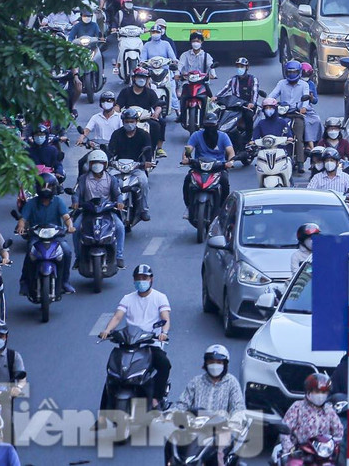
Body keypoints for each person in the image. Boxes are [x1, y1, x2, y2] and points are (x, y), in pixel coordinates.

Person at [97, 264, 171, 410]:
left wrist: (164, 333)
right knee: (112, 373)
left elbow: (165, 318)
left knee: (164, 365)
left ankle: (156, 398)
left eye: (144, 278)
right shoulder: (127, 298)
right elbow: (117, 317)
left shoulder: (160, 297)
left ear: (151, 279)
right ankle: (104, 412)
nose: (141, 280)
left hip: (150, 344)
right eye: (138, 278)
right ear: (134, 280)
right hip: (128, 344)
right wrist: (107, 330)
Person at [15, 173, 74, 294]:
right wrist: (20, 227)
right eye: (43, 186)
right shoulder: (31, 203)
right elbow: (23, 219)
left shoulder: (58, 201)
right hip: (37, 236)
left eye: (49, 186)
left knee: (66, 252)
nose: (46, 189)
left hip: (56, 236)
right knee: (30, 252)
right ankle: (25, 282)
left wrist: (70, 226)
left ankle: (65, 282)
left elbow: (66, 217)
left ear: (54, 187)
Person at [74, 152, 125, 267]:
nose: (97, 165)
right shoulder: (83, 179)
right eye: (94, 163)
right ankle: (78, 257)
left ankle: (119, 256)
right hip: (87, 210)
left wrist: (120, 202)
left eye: (100, 163)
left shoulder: (111, 179)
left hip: (107, 210)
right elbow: (76, 193)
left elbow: (118, 194)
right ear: (89, 164)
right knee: (76, 228)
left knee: (120, 227)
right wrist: (75, 202)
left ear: (105, 164)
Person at [279, 373, 343, 458]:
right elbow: (285, 430)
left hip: (322, 453)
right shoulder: (297, 407)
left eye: (324, 392)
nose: (321, 395)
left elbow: (338, 432)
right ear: (308, 392)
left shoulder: (329, 410)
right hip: (299, 453)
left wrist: (333, 446)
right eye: (317, 392)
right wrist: (290, 448)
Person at [180, 115, 233, 217]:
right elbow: (188, 149)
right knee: (187, 180)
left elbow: (231, 152)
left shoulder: (223, 136)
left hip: (218, 167)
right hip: (199, 167)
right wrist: (186, 159)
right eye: (208, 125)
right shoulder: (196, 135)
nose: (210, 128)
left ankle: (223, 208)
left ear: (217, 125)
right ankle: (189, 206)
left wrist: (230, 162)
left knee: (224, 181)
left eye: (212, 125)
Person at [174, 345, 243, 417]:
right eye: (211, 362)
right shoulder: (196, 382)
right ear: (206, 363)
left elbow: (238, 408)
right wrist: (172, 414)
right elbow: (182, 404)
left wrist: (233, 419)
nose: (215, 365)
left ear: (225, 364)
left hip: (222, 423)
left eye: (219, 362)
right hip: (196, 422)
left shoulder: (232, 383)